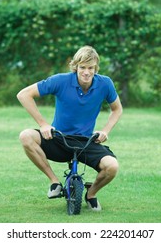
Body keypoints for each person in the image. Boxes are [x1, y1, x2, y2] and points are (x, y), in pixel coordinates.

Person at [17, 45, 122, 211]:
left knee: (112, 166)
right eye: (82, 67)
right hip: (58, 139)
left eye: (90, 68)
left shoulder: (105, 84)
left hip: (86, 142)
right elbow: (24, 95)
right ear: (75, 66)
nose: (86, 72)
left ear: (96, 67)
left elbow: (117, 109)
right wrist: (43, 124)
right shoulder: (61, 80)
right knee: (25, 136)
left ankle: (91, 194)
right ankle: (54, 182)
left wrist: (105, 131)